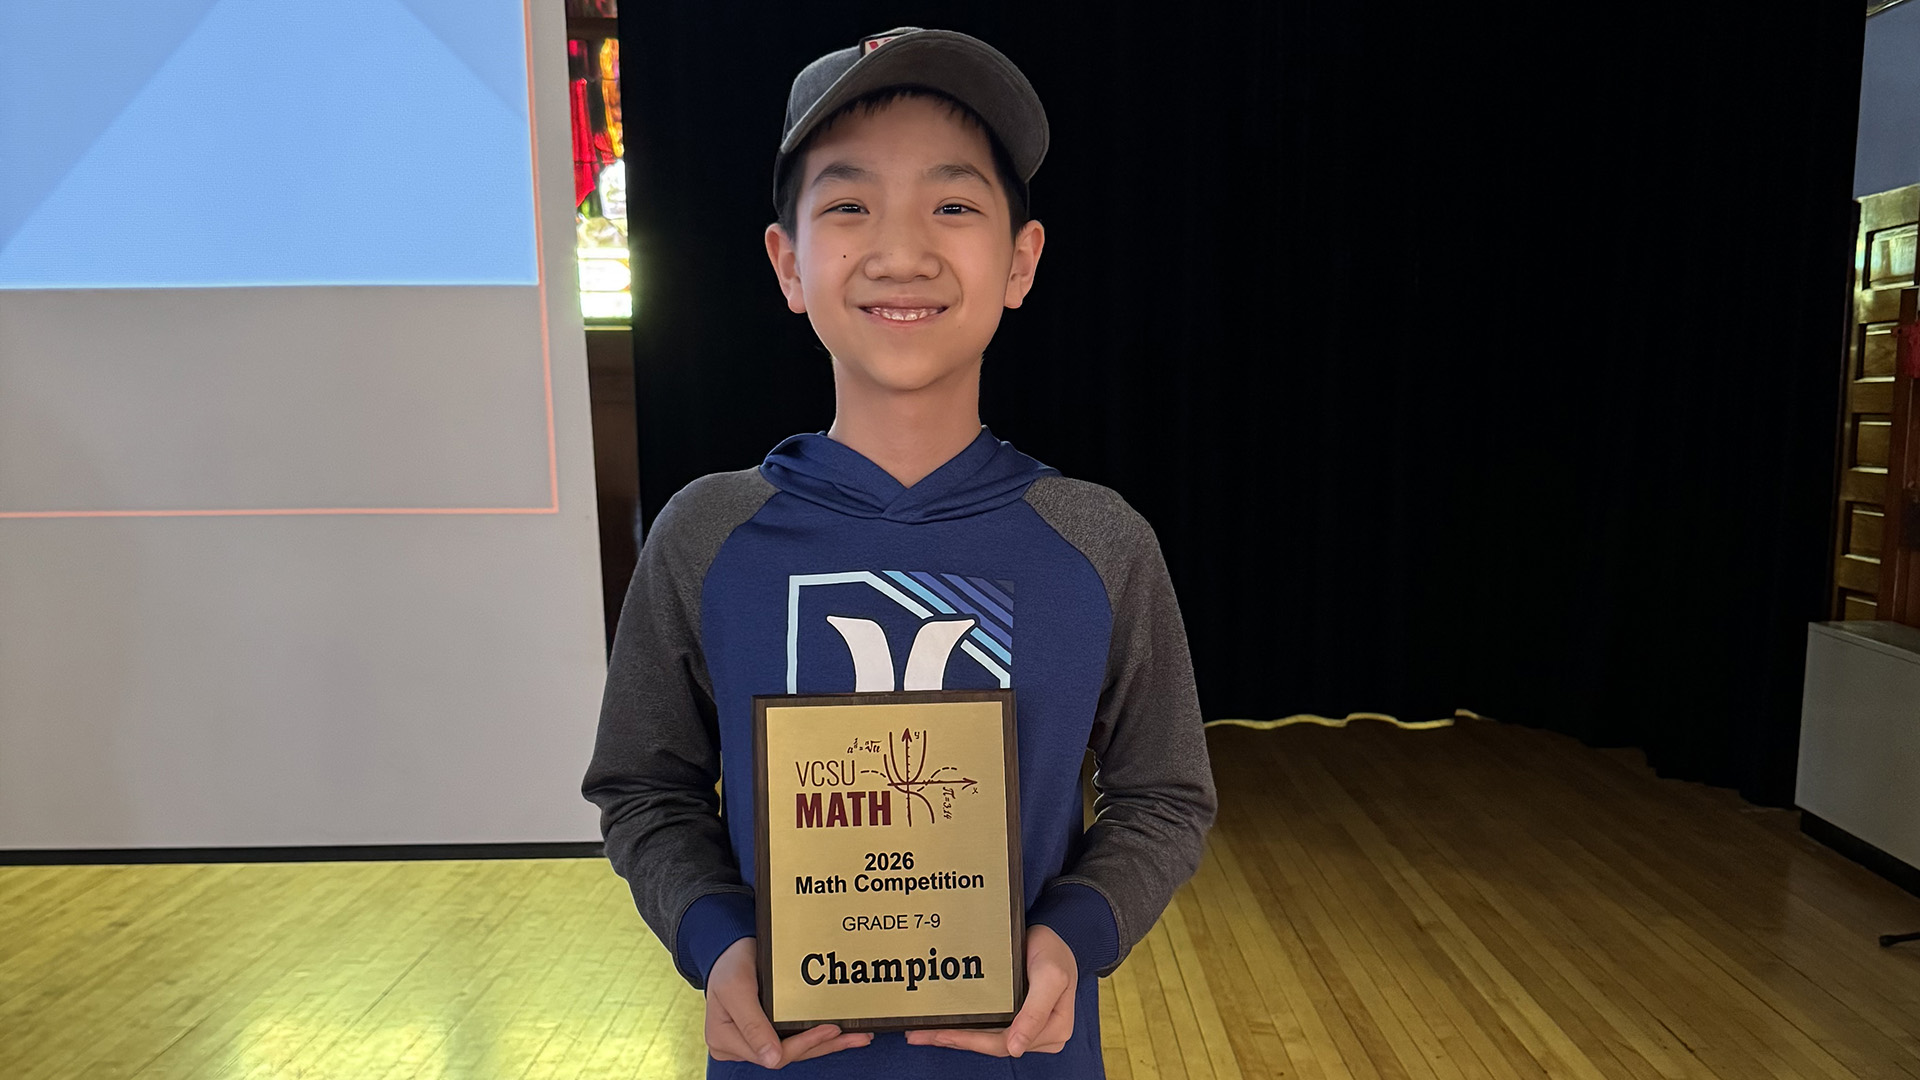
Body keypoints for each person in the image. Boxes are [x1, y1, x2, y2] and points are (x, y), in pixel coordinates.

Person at [582, 26, 1217, 1077]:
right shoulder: (707, 536)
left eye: (953, 204)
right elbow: (644, 789)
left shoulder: (1100, 542)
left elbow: (1166, 796)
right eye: (849, 205)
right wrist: (717, 941)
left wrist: (1074, 937)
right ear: (788, 264)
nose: (901, 249)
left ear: (1021, 260)